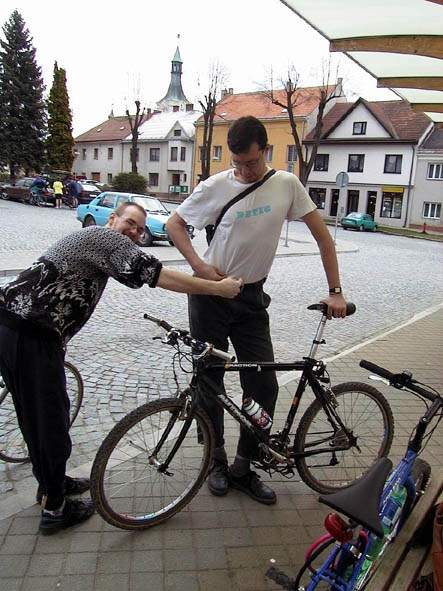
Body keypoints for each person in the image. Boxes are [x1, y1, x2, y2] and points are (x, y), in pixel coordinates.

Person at [0, 201, 242, 535]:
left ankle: (52, 484)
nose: (135, 231)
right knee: (50, 422)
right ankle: (55, 510)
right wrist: (217, 288)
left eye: (140, 229)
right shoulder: (104, 237)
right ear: (112, 219)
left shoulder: (99, 245)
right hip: (29, 334)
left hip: (17, 330)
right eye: (130, 222)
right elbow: (156, 274)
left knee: (37, 418)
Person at [166, 115, 347, 506]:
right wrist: (200, 268)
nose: (244, 171)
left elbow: (323, 239)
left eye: (250, 162)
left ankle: (244, 465)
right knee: (209, 382)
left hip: (251, 299)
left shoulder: (286, 184)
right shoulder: (215, 186)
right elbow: (174, 225)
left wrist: (335, 291)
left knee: (263, 384)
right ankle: (214, 461)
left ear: (265, 150)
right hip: (209, 296)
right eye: (237, 163)